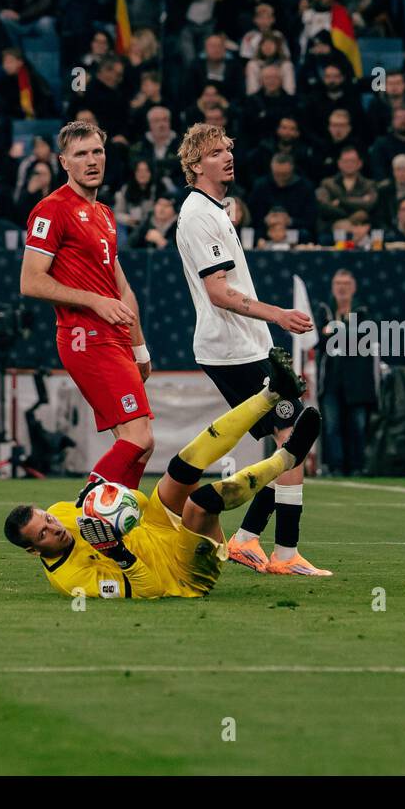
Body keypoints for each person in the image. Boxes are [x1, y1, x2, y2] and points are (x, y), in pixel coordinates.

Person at [174, 122, 329, 577]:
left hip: (242, 344)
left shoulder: (212, 209)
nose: (227, 156)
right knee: (292, 439)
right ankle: (281, 552)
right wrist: (278, 315)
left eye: (228, 148)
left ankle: (249, 541)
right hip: (231, 347)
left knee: (289, 439)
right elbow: (219, 292)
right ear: (196, 164)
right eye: (217, 151)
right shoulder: (199, 214)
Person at [5, 385, 321, 599]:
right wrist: (119, 554)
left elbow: (138, 504)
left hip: (157, 530)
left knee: (182, 466)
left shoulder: (63, 512)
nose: (54, 527)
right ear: (34, 551)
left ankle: (268, 394)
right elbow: (151, 591)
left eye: (46, 519)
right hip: (181, 575)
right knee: (200, 503)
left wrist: (111, 497)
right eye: (43, 534)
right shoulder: (71, 581)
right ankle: (286, 458)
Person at [20, 120, 156, 493]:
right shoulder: (51, 210)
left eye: (97, 151)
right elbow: (31, 281)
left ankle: (116, 532)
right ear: (64, 161)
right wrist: (95, 301)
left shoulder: (106, 215)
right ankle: (88, 512)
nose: (92, 160)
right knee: (139, 438)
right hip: (86, 339)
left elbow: (123, 288)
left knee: (139, 446)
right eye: (81, 154)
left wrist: (139, 347)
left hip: (114, 339)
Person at [315, 270, 377, 476]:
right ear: (332, 287)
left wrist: (334, 332)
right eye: (338, 283)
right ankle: (335, 467)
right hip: (331, 380)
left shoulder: (363, 311)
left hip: (357, 381)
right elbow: (320, 340)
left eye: (346, 284)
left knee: (357, 427)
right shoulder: (324, 311)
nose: (342, 287)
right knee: (332, 427)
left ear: (353, 287)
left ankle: (358, 466)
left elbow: (364, 339)